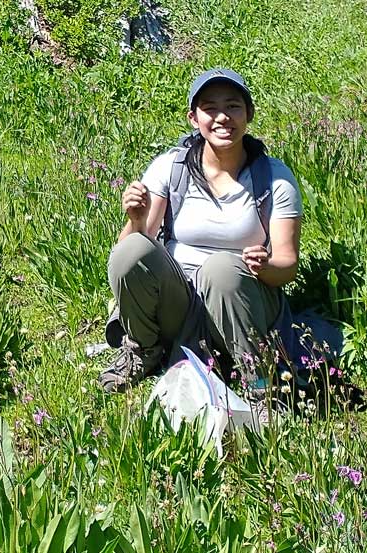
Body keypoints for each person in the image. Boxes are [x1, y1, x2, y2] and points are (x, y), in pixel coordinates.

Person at [99, 68, 303, 393]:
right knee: (130, 249)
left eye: (233, 106)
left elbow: (288, 265)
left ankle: (261, 383)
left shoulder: (274, 178)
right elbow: (130, 258)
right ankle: (144, 350)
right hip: (177, 303)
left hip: (238, 303)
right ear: (194, 118)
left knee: (221, 267)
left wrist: (265, 266)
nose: (223, 117)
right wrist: (136, 220)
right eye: (210, 108)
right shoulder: (172, 167)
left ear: (248, 114)